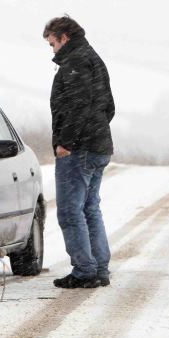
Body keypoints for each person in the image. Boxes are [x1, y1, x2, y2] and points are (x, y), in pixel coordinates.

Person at [44, 15, 115, 288]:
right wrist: (96, 132)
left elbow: (77, 107)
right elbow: (108, 107)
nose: (53, 50)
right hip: (98, 146)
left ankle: (85, 270)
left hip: (79, 150)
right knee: (89, 209)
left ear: (64, 37)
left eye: (53, 43)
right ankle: (99, 268)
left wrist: (67, 142)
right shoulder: (94, 59)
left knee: (70, 212)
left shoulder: (74, 62)